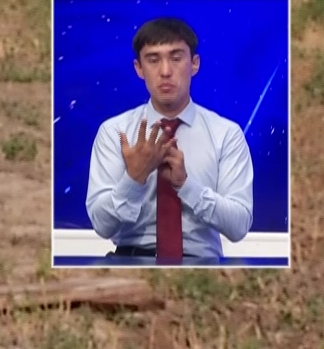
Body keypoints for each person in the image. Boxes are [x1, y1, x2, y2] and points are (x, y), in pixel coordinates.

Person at [85, 17, 254, 265]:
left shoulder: (226, 134)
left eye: (176, 58)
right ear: (139, 69)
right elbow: (102, 226)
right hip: (130, 261)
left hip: (202, 264)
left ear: (194, 64)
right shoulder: (114, 132)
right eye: (153, 60)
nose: (165, 71)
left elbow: (239, 226)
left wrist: (187, 186)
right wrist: (134, 179)